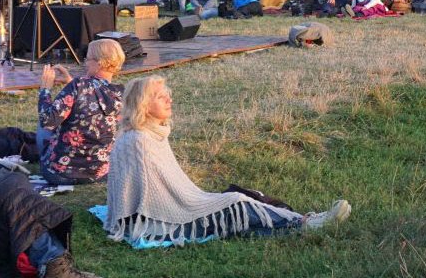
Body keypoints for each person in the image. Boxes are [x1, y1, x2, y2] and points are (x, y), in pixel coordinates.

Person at [103, 77, 349, 246]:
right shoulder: (139, 140)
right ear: (143, 106)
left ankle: (298, 226)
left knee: (238, 204)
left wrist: (201, 200)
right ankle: (304, 222)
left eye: (168, 95)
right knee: (236, 201)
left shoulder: (151, 132)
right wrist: (200, 203)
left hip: (162, 214)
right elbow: (157, 198)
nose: (169, 100)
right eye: (160, 97)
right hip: (158, 223)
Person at [37, 39, 127, 185]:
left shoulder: (78, 85)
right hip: (99, 173)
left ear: (100, 63)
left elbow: (47, 120)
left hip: (61, 173)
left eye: (88, 59)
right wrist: (70, 82)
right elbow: (94, 99)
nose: (85, 63)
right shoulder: (122, 93)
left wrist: (45, 89)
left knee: (45, 114)